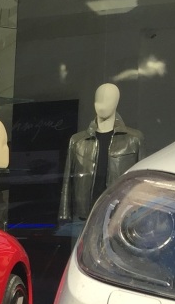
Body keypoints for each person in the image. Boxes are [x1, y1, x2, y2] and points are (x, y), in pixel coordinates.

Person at [59, 82, 143, 220]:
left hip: (120, 215)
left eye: (108, 99)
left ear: (117, 102)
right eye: (98, 100)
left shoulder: (134, 139)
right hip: (85, 216)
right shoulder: (78, 140)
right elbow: (67, 181)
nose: (102, 104)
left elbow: (140, 180)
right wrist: (64, 215)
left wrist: (140, 214)